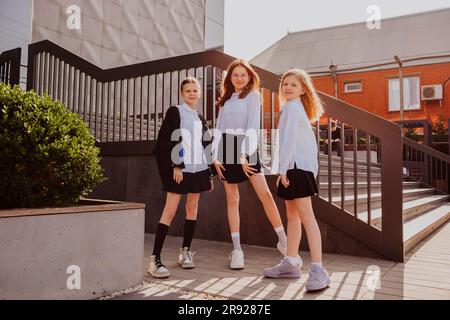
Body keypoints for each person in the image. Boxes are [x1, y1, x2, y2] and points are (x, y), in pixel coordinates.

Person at [211, 59, 288, 270]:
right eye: (235, 75)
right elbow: (219, 128)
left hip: (246, 146)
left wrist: (244, 155)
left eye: (243, 75)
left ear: (249, 76)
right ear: (230, 78)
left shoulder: (253, 96)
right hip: (226, 147)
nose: (239, 78)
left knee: (265, 195)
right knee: (232, 198)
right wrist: (214, 156)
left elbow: (253, 126)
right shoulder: (225, 99)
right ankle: (237, 250)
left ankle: (284, 242)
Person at [264, 68, 331, 292]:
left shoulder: (293, 108)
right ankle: (291, 263)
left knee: (306, 217)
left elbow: (290, 142)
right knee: (292, 216)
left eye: (293, 84)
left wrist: (282, 170)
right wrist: (282, 169)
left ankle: (319, 270)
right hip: (294, 168)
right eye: (285, 84)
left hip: (297, 169)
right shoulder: (292, 108)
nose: (288, 87)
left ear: (303, 89)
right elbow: (286, 142)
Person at [148, 77, 214, 278]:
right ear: (182, 93)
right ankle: (155, 260)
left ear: (200, 92)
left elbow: (206, 146)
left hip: (199, 169)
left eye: (195, 90)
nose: (192, 93)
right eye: (188, 91)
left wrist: (209, 173)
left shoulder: (200, 117)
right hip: (181, 169)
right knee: (170, 210)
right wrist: (176, 165)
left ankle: (185, 252)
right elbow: (169, 137)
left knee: (192, 208)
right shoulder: (175, 111)